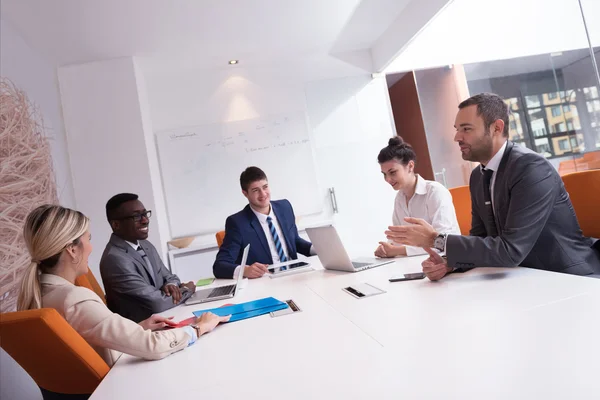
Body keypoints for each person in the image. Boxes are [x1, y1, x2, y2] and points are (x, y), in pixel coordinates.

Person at [385, 92, 600, 280]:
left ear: (497, 128)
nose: (457, 137)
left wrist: (435, 239)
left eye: (466, 129)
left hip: (566, 276)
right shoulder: (478, 176)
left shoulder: (531, 168)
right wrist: (452, 263)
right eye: (457, 129)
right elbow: (482, 239)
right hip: (520, 276)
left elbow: (510, 250)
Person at [17, 204, 230, 367]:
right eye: (88, 239)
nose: (91, 248)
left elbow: (88, 339)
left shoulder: (39, 294)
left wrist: (137, 328)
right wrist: (198, 327)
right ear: (72, 249)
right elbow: (152, 346)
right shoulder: (74, 299)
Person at [100, 193, 196, 322]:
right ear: (116, 225)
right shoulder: (115, 259)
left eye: (145, 214)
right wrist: (186, 290)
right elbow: (157, 303)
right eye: (136, 216)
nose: (145, 220)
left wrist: (171, 285)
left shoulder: (145, 244)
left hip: (168, 316)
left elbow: (170, 277)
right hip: (142, 330)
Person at [213, 167, 315, 279]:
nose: (263, 194)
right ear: (245, 193)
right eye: (255, 190)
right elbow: (219, 266)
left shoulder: (284, 207)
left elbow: (294, 241)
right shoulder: (237, 223)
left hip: (295, 276)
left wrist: (318, 249)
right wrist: (245, 270)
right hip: (266, 281)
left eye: (265, 187)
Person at [374, 136, 460, 258]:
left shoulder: (435, 191)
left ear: (410, 166)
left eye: (392, 172)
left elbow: (443, 242)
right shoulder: (400, 199)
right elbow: (398, 239)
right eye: (384, 174)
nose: (387, 179)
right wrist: (385, 248)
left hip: (446, 261)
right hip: (415, 262)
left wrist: (397, 250)